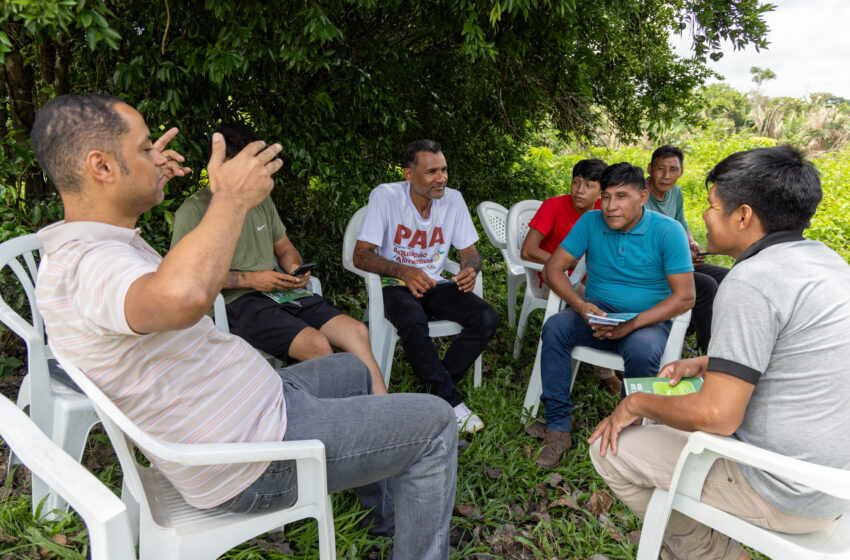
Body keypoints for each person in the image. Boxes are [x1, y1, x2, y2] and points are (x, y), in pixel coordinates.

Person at [31, 94, 457, 559]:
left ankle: (387, 517)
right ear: (102, 167)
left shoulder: (100, 245)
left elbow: (168, 279)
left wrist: (150, 187)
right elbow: (184, 297)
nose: (160, 156)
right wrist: (228, 199)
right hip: (251, 456)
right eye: (145, 148)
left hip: (258, 404)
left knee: (353, 370)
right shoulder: (88, 266)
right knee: (435, 426)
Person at [589, 145, 850, 560]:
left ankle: (712, 553)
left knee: (610, 450)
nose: (704, 216)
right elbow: (796, 352)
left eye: (711, 206)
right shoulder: (827, 261)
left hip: (786, 490)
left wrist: (636, 402)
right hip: (836, 482)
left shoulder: (751, 281)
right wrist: (708, 362)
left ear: (743, 215)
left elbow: (718, 416)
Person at [171, 123, 387, 394]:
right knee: (317, 345)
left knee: (356, 332)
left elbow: (284, 247)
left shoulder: (261, 201)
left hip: (279, 292)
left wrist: (295, 269)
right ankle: (349, 419)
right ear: (221, 165)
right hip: (235, 303)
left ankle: (380, 406)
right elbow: (184, 279)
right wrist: (252, 279)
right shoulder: (194, 210)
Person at [534, 162, 695, 469]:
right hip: (595, 312)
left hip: (646, 322)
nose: (610, 206)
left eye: (622, 196)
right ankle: (557, 427)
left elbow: (685, 296)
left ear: (643, 197)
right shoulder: (591, 222)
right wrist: (580, 306)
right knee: (556, 327)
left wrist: (630, 324)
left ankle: (627, 434)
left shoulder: (668, 231)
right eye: (606, 197)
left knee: (643, 349)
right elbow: (553, 267)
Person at [352, 139, 499, 434]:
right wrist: (404, 271)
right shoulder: (386, 196)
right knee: (411, 318)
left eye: (444, 170)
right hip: (395, 283)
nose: (441, 178)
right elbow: (361, 255)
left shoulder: (453, 200)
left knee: (486, 317)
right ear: (409, 174)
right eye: (432, 172)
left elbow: (470, 252)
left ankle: (435, 386)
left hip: (434, 282)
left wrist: (470, 269)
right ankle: (449, 400)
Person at [520, 158, 621, 396]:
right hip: (557, 281)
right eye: (576, 182)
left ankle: (620, 359)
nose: (579, 190)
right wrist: (565, 262)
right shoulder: (554, 205)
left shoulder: (602, 212)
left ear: (601, 192)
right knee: (597, 309)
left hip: (592, 280)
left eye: (588, 185)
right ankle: (605, 373)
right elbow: (528, 250)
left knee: (621, 303)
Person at [645, 145, 729, 352]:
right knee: (706, 285)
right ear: (649, 169)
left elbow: (682, 226)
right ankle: (708, 351)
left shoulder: (675, 192)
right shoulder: (641, 196)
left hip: (677, 261)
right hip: (654, 266)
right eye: (660, 169)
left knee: (727, 277)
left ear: (681, 172)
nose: (666, 176)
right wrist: (681, 256)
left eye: (673, 170)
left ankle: (683, 332)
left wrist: (692, 245)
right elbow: (646, 245)